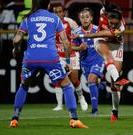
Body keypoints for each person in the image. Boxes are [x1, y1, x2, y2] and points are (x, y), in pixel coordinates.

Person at [9, 0, 88, 128]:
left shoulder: (28, 18)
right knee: (67, 86)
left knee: (23, 86)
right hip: (50, 58)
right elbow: (66, 43)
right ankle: (74, 119)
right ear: (48, 5)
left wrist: (16, 49)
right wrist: (68, 62)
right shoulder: (55, 19)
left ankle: (14, 118)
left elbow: (16, 39)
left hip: (31, 58)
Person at [72, 3, 130, 121]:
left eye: (115, 23)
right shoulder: (103, 13)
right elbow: (100, 36)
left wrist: (82, 35)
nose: (112, 25)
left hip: (116, 45)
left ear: (119, 20)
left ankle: (115, 111)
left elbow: (101, 33)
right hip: (100, 41)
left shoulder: (121, 27)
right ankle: (117, 78)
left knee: (115, 86)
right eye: (111, 22)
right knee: (106, 55)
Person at [52, 5, 88, 111]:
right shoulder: (50, 25)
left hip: (71, 53)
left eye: (60, 12)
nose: (58, 14)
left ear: (64, 13)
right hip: (59, 55)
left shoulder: (69, 23)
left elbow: (78, 34)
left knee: (74, 80)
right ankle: (59, 105)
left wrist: (82, 45)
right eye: (55, 12)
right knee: (59, 79)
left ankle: (81, 98)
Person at [73, 7, 106, 116]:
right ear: (79, 19)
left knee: (91, 79)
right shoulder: (76, 32)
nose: (85, 19)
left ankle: (94, 110)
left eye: (87, 17)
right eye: (82, 17)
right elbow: (71, 47)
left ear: (91, 18)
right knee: (93, 82)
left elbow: (106, 43)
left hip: (98, 59)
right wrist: (79, 48)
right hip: (85, 61)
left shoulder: (98, 30)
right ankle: (102, 87)